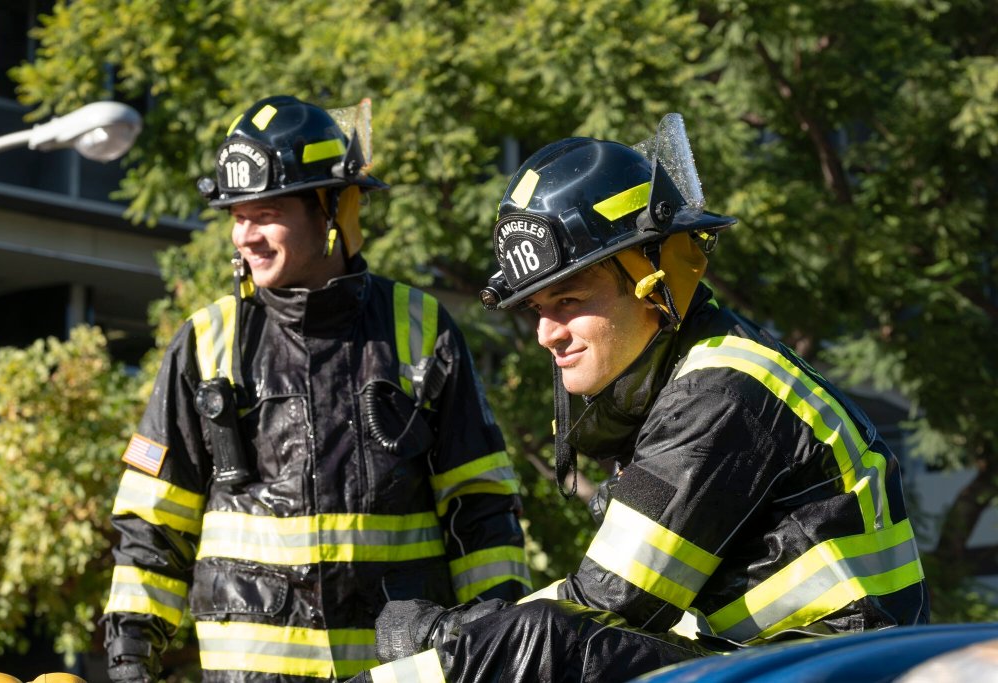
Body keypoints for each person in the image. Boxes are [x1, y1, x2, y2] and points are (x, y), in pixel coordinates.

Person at [356, 114, 929, 683]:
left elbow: (609, 602)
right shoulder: (692, 376)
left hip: (831, 671)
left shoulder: (720, 395)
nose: (546, 333)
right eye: (537, 309)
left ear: (654, 278)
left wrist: (443, 635)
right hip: (794, 665)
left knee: (541, 641)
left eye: (569, 300)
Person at [101, 95, 531, 683]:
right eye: (237, 215)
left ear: (332, 209)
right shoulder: (206, 343)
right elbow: (153, 521)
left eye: (266, 213)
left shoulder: (420, 329)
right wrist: (130, 660)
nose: (244, 237)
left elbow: (481, 507)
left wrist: (497, 640)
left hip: (399, 673)